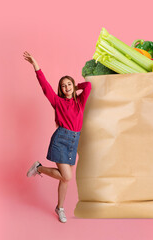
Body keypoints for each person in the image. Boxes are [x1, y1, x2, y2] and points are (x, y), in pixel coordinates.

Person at [23, 51, 92, 223]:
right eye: (63, 86)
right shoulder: (57, 102)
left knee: (65, 180)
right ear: (60, 90)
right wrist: (36, 65)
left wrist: (78, 86)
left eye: (69, 84)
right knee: (67, 176)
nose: (67, 87)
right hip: (60, 140)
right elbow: (44, 85)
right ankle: (38, 168)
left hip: (73, 142)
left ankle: (59, 208)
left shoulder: (80, 102)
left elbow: (89, 86)